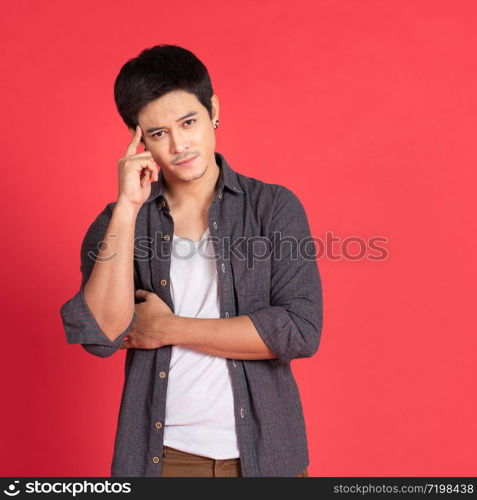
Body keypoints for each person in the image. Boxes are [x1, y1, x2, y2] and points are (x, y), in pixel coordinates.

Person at [60, 44, 323, 477]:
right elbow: (101, 335)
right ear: (138, 139)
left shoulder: (273, 207)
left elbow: (299, 330)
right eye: (159, 133)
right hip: (162, 457)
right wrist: (127, 207)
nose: (180, 145)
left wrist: (167, 328)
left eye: (188, 122)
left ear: (213, 110)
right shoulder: (119, 223)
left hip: (268, 454)